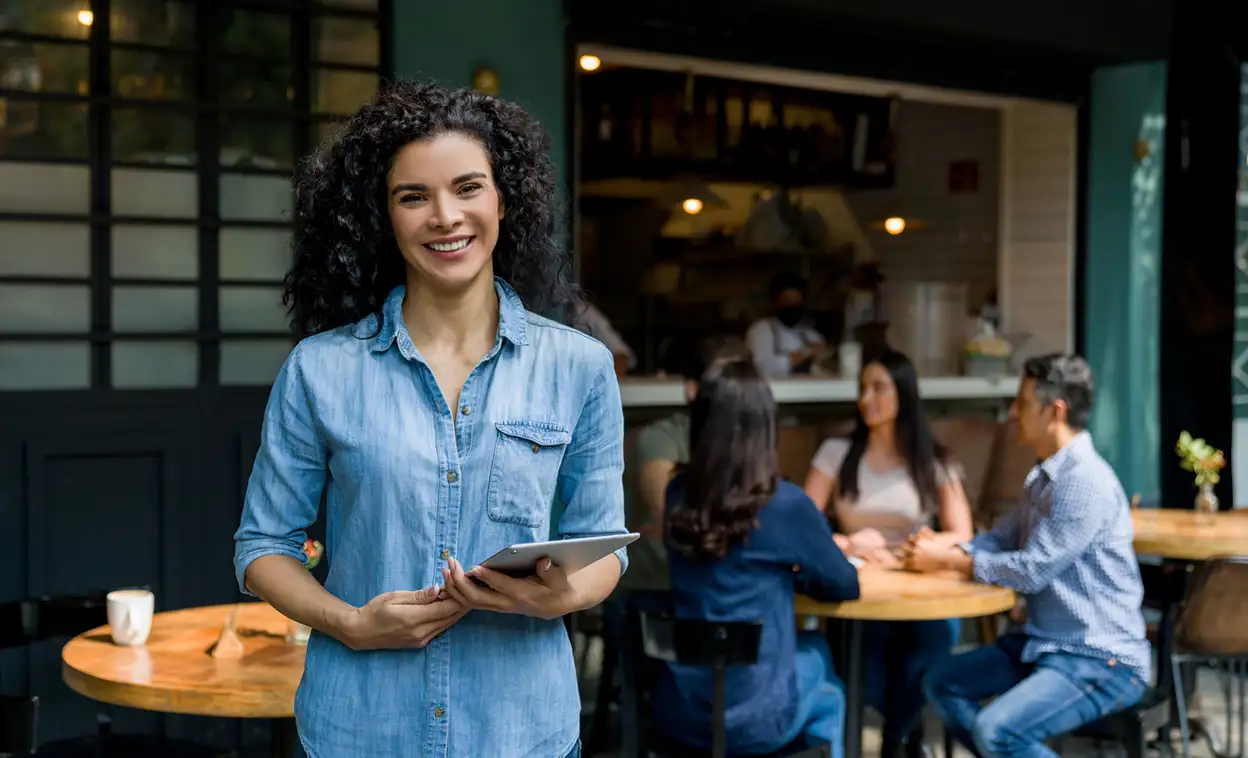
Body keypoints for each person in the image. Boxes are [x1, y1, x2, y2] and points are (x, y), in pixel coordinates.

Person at [232, 81, 628, 758]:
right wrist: (351, 623)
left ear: (505, 199)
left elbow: (605, 547)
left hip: (520, 730)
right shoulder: (320, 369)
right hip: (361, 727)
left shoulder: (580, 367)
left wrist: (558, 596)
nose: (445, 216)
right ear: (382, 216)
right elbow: (263, 547)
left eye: (468, 188)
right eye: (413, 197)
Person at [907, 354, 1149, 758]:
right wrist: (945, 548)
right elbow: (1003, 538)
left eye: (1021, 404)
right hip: (1044, 644)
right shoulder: (1044, 474)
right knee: (941, 682)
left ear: (1055, 411)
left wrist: (950, 561)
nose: (1013, 414)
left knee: (996, 731)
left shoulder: (1083, 480)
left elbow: (1033, 570)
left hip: (1100, 659)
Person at [653, 358, 861, 757]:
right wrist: (796, 573)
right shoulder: (787, 505)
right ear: (764, 430)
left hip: (680, 710)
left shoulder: (677, 492)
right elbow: (845, 585)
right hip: (756, 720)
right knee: (824, 673)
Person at [802, 348, 974, 758]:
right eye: (863, 388)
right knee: (866, 676)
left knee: (924, 662)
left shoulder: (931, 459)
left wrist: (909, 548)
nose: (866, 399)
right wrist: (848, 543)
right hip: (858, 586)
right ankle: (898, 736)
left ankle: (897, 740)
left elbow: (962, 533)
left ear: (903, 395)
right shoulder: (835, 452)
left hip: (919, 585)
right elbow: (803, 524)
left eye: (879, 388)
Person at [622, 335, 749, 590]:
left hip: (720, 585)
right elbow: (670, 516)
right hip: (658, 591)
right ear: (692, 388)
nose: (737, 390)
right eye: (724, 380)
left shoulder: (748, 441)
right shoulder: (661, 437)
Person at [745, 271, 827, 378]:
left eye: (797, 302)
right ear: (774, 302)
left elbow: (824, 363)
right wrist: (804, 353)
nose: (792, 306)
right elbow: (763, 366)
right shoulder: (762, 330)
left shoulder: (810, 333)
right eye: (786, 301)